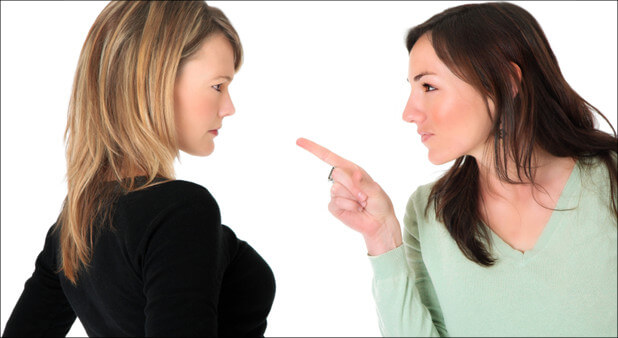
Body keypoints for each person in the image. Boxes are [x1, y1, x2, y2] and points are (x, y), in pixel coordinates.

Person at [297, 2, 617, 336]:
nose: (409, 112)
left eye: (429, 86)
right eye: (411, 88)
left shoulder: (611, 180)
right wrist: (381, 237)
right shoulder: (429, 211)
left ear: (506, 82)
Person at [2, 1, 275, 336]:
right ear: (153, 83)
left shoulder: (74, 227)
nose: (229, 108)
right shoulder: (179, 210)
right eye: (218, 85)